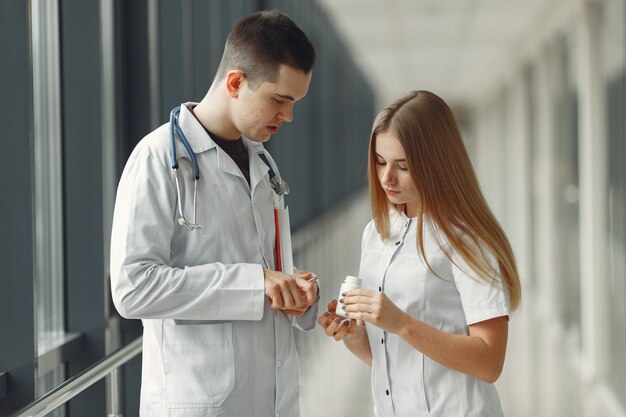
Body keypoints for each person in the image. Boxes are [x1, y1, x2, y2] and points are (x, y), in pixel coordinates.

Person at [110, 10, 319, 417]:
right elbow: (132, 287)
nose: (289, 116)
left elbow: (269, 272)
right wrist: (253, 283)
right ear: (236, 82)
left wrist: (295, 292)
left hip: (273, 400)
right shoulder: (158, 159)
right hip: (199, 402)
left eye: (294, 103)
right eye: (280, 100)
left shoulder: (263, 164)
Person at [318, 90, 521, 417]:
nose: (386, 178)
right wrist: (354, 335)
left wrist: (400, 323)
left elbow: (489, 362)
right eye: (380, 161)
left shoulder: (467, 239)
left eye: (403, 166)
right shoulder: (375, 234)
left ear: (436, 163)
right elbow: (395, 359)